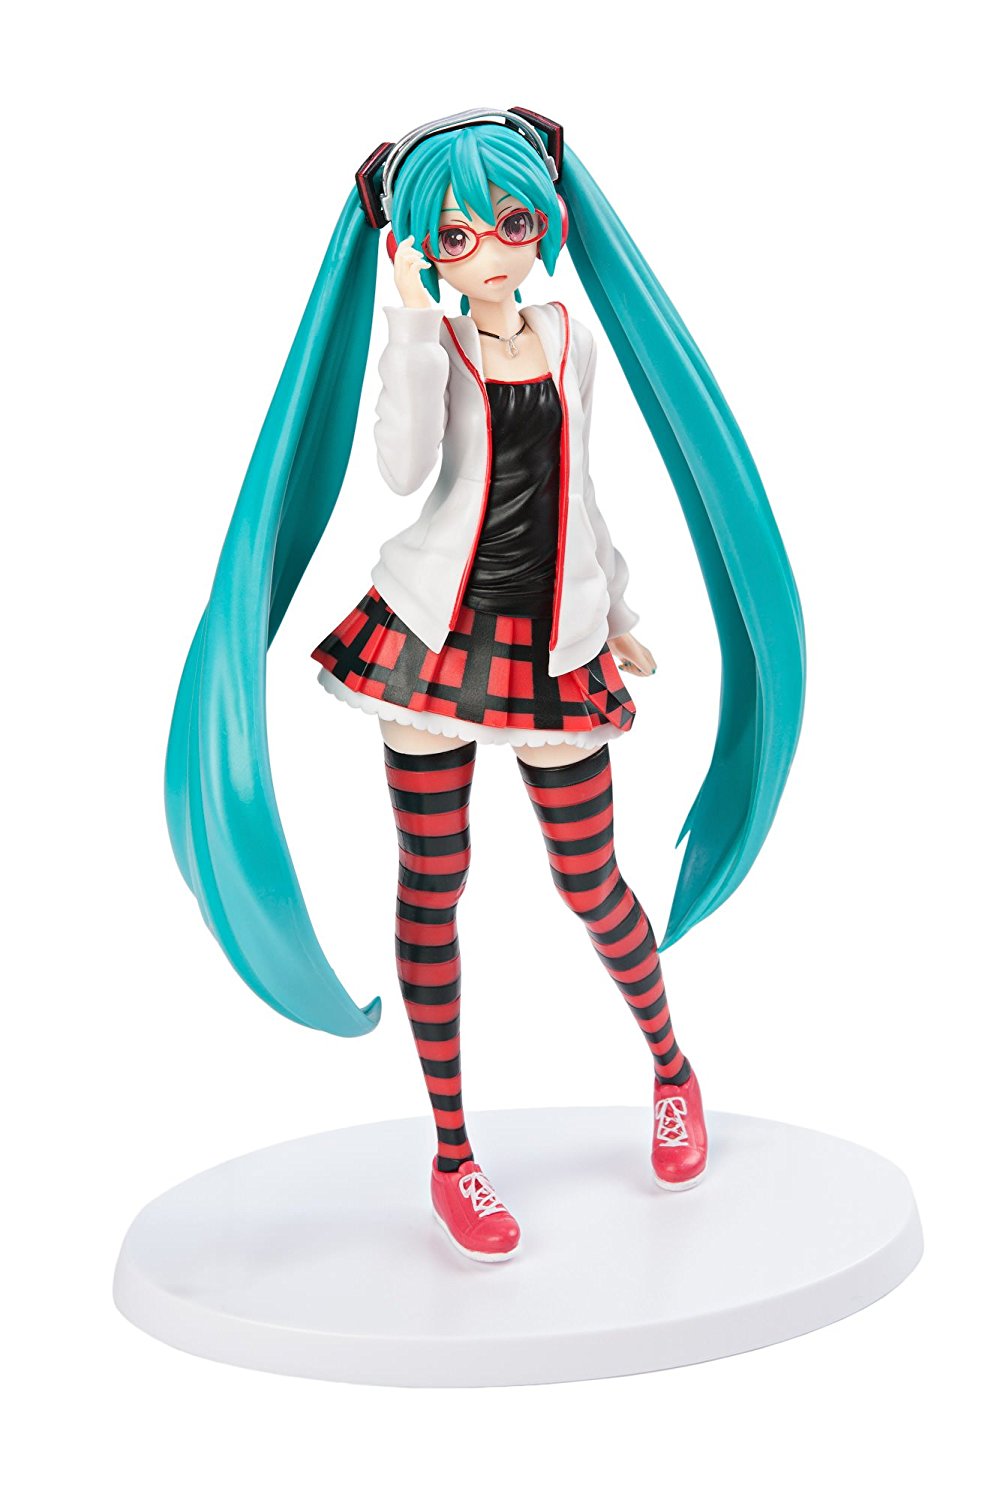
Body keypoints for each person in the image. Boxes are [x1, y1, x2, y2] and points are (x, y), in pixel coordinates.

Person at [165, 107, 806, 1264]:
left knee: (591, 882)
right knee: (433, 882)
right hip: (431, 644)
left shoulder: (568, 337)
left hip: (553, 648)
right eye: (456, 236)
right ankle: (452, 1155)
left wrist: (616, 614)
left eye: (509, 224)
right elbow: (403, 467)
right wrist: (411, 322)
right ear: (422, 246)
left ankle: (673, 1071)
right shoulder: (436, 342)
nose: (491, 252)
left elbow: (579, 491)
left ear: (544, 222)